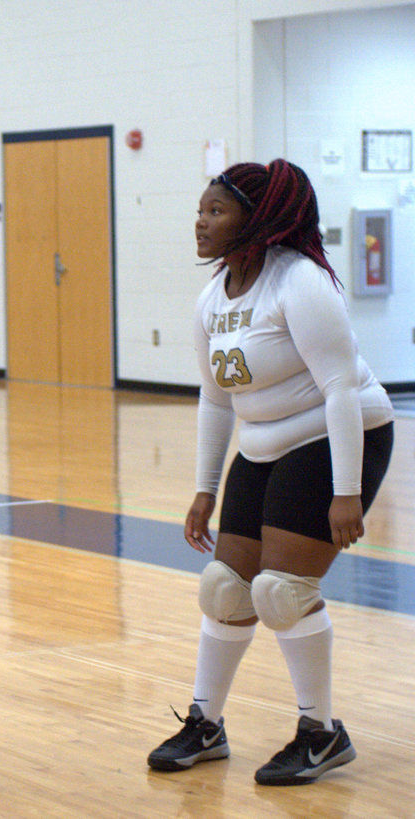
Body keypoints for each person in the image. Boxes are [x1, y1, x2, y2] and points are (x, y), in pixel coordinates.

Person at [146, 160, 393, 785]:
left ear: (255, 219)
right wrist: (205, 487)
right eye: (200, 209)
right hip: (261, 445)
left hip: (339, 433)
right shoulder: (212, 297)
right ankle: (206, 722)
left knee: (281, 592)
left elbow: (339, 389)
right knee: (226, 588)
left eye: (215, 211)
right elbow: (215, 397)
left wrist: (346, 492)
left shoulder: (300, 281)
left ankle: (321, 732)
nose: (200, 222)